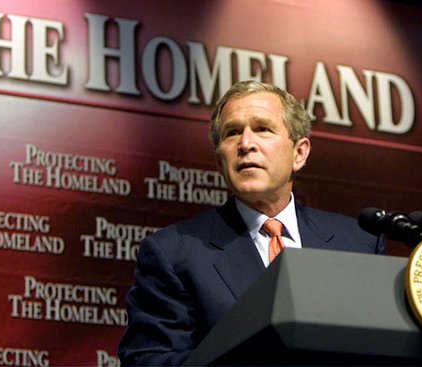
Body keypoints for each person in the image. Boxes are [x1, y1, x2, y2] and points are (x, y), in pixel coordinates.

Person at [118, 81, 384, 366]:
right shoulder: (174, 253)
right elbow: (149, 361)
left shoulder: (359, 243)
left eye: (262, 129)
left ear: (300, 153)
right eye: (232, 133)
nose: (246, 144)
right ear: (220, 161)